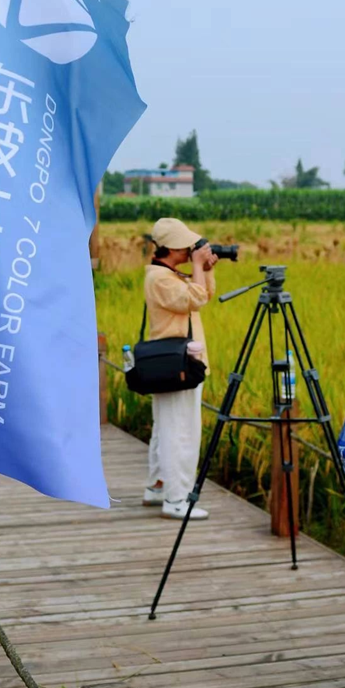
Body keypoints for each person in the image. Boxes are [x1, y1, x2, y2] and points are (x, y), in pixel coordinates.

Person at [141, 217, 217, 520]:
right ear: (172, 247)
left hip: (178, 363)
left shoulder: (168, 274)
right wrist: (198, 266)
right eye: (186, 247)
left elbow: (203, 295)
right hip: (177, 366)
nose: (190, 250)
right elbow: (195, 299)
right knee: (181, 432)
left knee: (167, 428)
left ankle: (157, 486)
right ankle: (176, 499)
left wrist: (205, 269)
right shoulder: (160, 279)